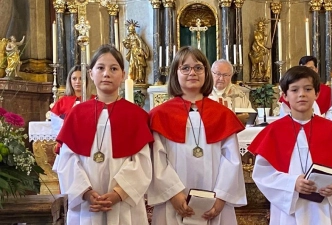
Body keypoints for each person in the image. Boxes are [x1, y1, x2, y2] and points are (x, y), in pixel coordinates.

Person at [52, 44, 153, 225]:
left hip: (123, 204)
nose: (106, 73)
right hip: (87, 204)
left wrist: (119, 193)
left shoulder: (135, 116)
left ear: (123, 75)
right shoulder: (77, 114)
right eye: (100, 68)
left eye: (113, 68)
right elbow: (66, 160)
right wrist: (86, 192)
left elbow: (143, 162)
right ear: (91, 74)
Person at [148, 46, 247, 225]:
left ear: (206, 73)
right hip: (174, 200)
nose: (192, 72)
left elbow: (231, 160)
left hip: (215, 200)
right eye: (185, 68)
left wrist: (221, 198)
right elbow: (157, 158)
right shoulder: (161, 115)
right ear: (175, 73)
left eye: (198, 67)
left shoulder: (222, 114)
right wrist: (173, 193)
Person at [248, 66, 332, 225]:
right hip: (289, 209)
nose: (301, 94)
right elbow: (262, 173)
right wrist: (292, 183)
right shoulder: (274, 131)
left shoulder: (331, 130)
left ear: (317, 93)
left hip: (323, 209)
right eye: (294, 90)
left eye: (308, 89)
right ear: (284, 95)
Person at [50, 65, 94, 133]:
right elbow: (55, 123)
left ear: (87, 81)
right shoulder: (62, 101)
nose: (77, 82)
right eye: (74, 78)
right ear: (70, 81)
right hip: (67, 139)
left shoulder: (94, 100)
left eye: (81, 78)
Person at [122, 19, 149, 84]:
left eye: (131, 29)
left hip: (137, 52)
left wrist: (140, 49)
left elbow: (140, 42)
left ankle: (139, 78)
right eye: (129, 30)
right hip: (132, 52)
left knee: (139, 65)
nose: (130, 31)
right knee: (132, 65)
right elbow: (126, 44)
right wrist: (126, 43)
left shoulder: (136, 36)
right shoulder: (128, 37)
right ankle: (132, 79)